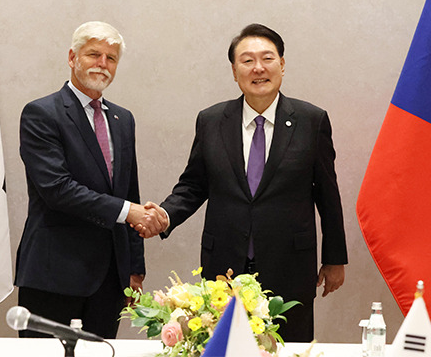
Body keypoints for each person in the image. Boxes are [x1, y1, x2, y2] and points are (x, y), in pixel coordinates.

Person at [137, 23, 348, 342]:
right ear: (234, 70)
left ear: (282, 64)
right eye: (247, 60)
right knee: (222, 345)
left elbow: (328, 195)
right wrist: (165, 215)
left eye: (267, 58)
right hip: (224, 264)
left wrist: (334, 258)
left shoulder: (311, 121)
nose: (258, 68)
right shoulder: (211, 121)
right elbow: (193, 185)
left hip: (289, 265)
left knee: (287, 346)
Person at [15, 21, 163, 339]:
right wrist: (129, 212)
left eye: (111, 58)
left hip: (110, 280)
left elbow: (129, 192)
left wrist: (134, 268)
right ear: (72, 58)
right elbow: (57, 189)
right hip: (53, 276)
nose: (102, 64)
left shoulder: (123, 120)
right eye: (93, 54)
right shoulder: (41, 114)